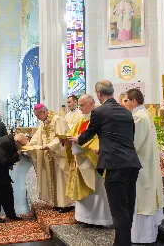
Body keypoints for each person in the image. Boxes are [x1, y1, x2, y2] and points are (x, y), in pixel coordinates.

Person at [70, 80, 142, 246]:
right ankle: (122, 242)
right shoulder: (126, 113)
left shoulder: (99, 112)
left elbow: (87, 135)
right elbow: (130, 138)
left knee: (118, 210)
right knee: (128, 207)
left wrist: (77, 139)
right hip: (132, 164)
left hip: (115, 165)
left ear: (99, 94)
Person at [123, 89, 164, 244]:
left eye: (126, 100)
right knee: (143, 197)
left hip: (140, 165)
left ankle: (142, 236)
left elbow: (133, 144)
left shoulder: (139, 118)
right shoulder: (143, 115)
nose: (123, 103)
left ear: (134, 101)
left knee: (141, 198)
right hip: (144, 162)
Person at [65, 94, 113, 227]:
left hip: (93, 162)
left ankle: (98, 220)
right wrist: (68, 140)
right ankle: (85, 218)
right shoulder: (81, 121)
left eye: (82, 105)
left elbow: (98, 139)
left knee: (97, 190)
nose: (79, 108)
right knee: (84, 191)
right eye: (79, 105)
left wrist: (80, 143)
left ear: (91, 104)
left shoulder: (99, 119)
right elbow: (73, 135)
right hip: (81, 160)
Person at [26, 104, 73, 213]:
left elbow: (62, 137)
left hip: (59, 156)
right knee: (53, 179)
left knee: (61, 179)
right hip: (49, 156)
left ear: (43, 112)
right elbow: (36, 138)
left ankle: (66, 204)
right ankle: (56, 202)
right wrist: (28, 146)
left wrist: (50, 145)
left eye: (37, 116)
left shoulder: (57, 120)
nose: (37, 118)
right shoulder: (43, 123)